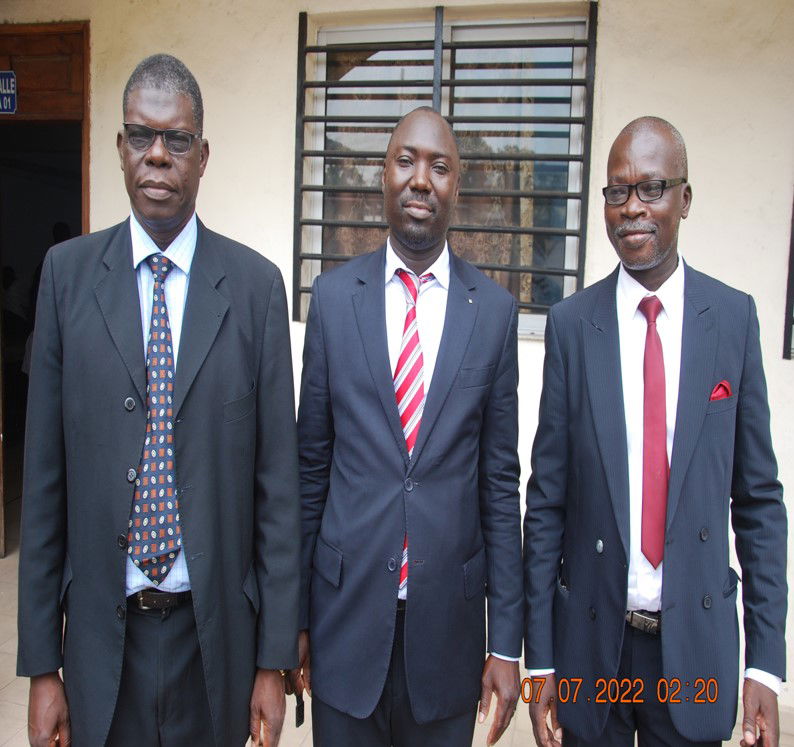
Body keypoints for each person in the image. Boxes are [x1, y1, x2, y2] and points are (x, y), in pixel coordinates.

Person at [17, 53, 300, 747]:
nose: (157, 156)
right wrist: (41, 667)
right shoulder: (66, 278)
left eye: (176, 141)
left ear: (203, 156)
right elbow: (44, 484)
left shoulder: (256, 290)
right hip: (99, 644)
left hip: (218, 646)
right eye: (141, 136)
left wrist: (273, 662)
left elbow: (279, 494)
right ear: (118, 148)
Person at [523, 116, 787, 747]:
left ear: (685, 200)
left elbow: (758, 504)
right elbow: (546, 503)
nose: (632, 208)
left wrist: (765, 666)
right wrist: (540, 663)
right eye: (617, 192)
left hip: (694, 652)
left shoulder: (732, 319)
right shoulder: (571, 326)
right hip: (593, 651)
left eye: (652, 188)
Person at [293, 106, 523, 746]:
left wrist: (506, 641)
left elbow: (500, 487)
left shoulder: (495, 313)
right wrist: (295, 620)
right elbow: (310, 469)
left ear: (458, 185)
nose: (422, 179)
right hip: (343, 624)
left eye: (440, 166)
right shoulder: (334, 302)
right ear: (383, 176)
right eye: (406, 160)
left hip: (447, 637)